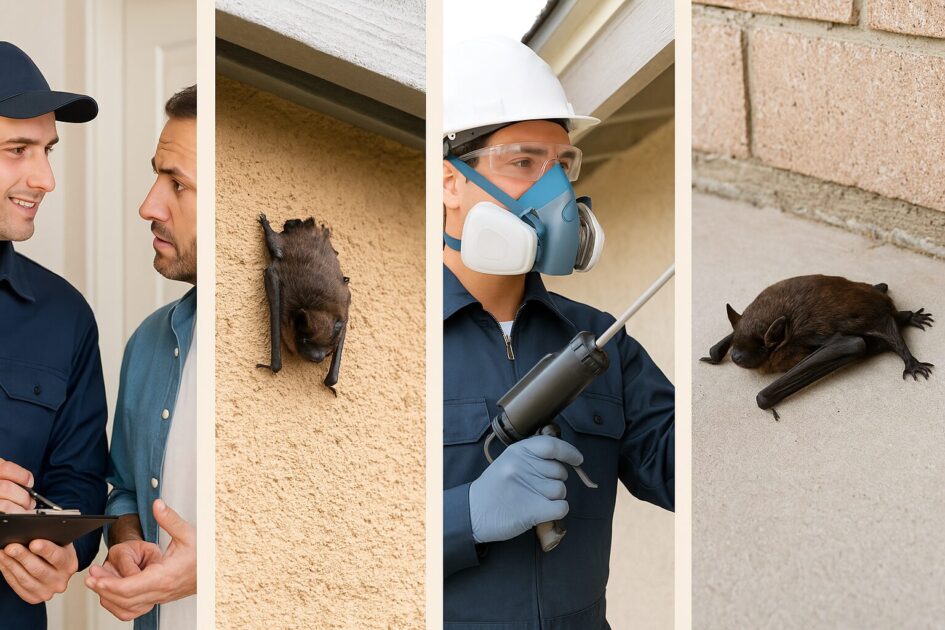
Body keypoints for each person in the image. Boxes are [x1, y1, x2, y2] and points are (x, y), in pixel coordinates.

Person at [442, 37, 674, 628]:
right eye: (524, 163)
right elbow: (335, 545)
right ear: (449, 182)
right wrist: (464, 515)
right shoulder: (388, 343)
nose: (558, 196)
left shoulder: (602, 342)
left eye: (562, 167)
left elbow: (685, 469)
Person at [0, 42, 108, 628]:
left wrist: (67, 551)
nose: (45, 178)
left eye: (47, 151)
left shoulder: (65, 315)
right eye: (18, 150)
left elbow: (80, 481)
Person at [84, 85, 197, 629]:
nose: (149, 205)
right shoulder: (150, 342)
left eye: (178, 184)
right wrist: (126, 543)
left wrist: (211, 567)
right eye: (158, 176)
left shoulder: (298, 341)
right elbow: (126, 489)